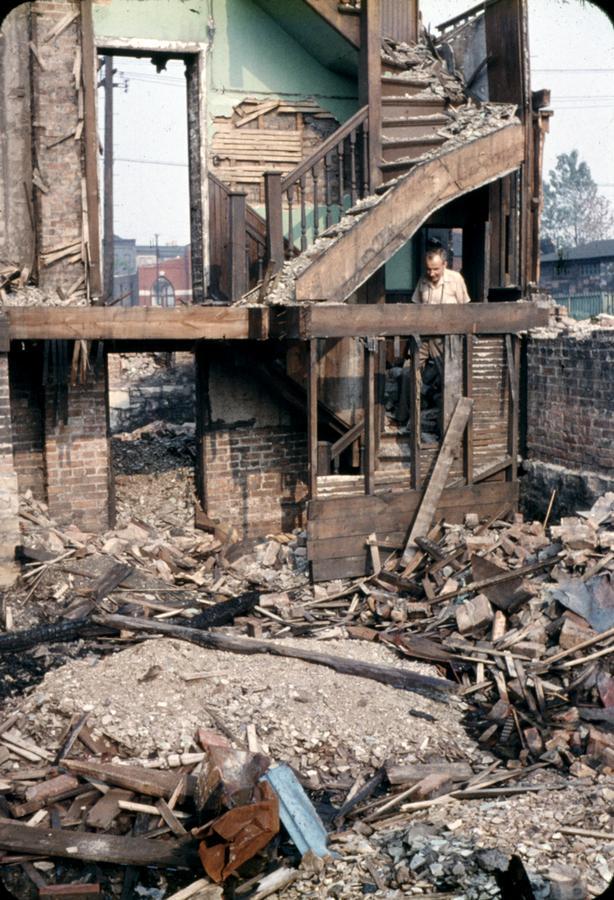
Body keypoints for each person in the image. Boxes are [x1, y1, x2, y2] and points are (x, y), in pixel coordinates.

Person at [395, 247, 471, 434]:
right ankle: (402, 418)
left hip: (446, 340)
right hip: (424, 338)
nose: (431, 273)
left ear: (445, 265)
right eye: (429, 269)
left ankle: (448, 424)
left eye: (435, 269)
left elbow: (466, 311)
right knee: (407, 373)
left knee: (450, 377)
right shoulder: (423, 281)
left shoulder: (456, 280)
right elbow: (416, 309)